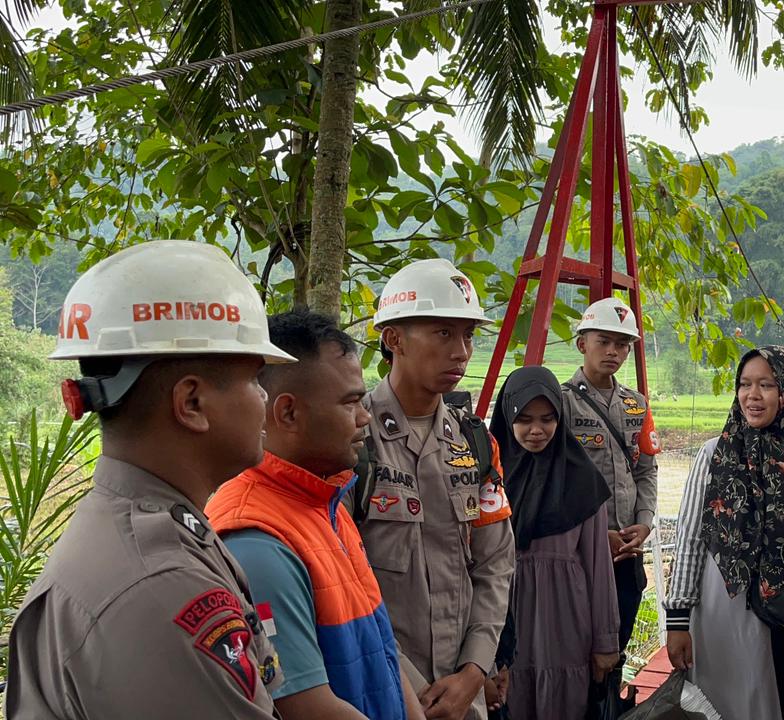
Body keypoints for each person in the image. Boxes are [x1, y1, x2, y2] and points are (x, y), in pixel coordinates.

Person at [4, 240, 294, 719]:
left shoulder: (155, 534)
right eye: (253, 378)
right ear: (192, 404)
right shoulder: (160, 587)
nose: (264, 397)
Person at [205, 310, 424, 719]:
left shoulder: (327, 505)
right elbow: (304, 704)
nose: (365, 418)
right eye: (351, 403)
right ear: (288, 413)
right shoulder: (258, 541)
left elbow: (384, 649)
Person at [356, 258, 515, 720]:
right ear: (394, 338)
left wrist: (473, 669)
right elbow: (339, 579)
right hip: (382, 689)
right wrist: (408, 685)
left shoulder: (475, 441)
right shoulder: (353, 439)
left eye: (467, 335)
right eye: (443, 333)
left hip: (465, 694)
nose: (461, 351)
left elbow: (496, 561)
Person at [664, 345, 784, 720]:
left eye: (766, 385)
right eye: (744, 384)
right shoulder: (715, 455)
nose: (752, 396)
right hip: (727, 608)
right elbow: (691, 539)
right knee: (732, 703)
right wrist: (677, 620)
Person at [489, 366, 620, 720]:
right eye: (525, 419)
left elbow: (598, 568)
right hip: (502, 614)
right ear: (508, 416)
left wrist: (606, 642)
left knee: (562, 702)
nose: (537, 430)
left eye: (548, 419)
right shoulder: (488, 479)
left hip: (566, 618)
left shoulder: (582, 480)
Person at [562, 296, 660, 667]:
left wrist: (645, 522)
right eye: (603, 341)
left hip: (626, 554)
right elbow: (554, 481)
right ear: (582, 343)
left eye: (622, 344)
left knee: (615, 655)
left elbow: (646, 470)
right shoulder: (560, 403)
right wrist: (592, 532)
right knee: (576, 657)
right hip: (579, 554)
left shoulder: (637, 405)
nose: (613, 351)